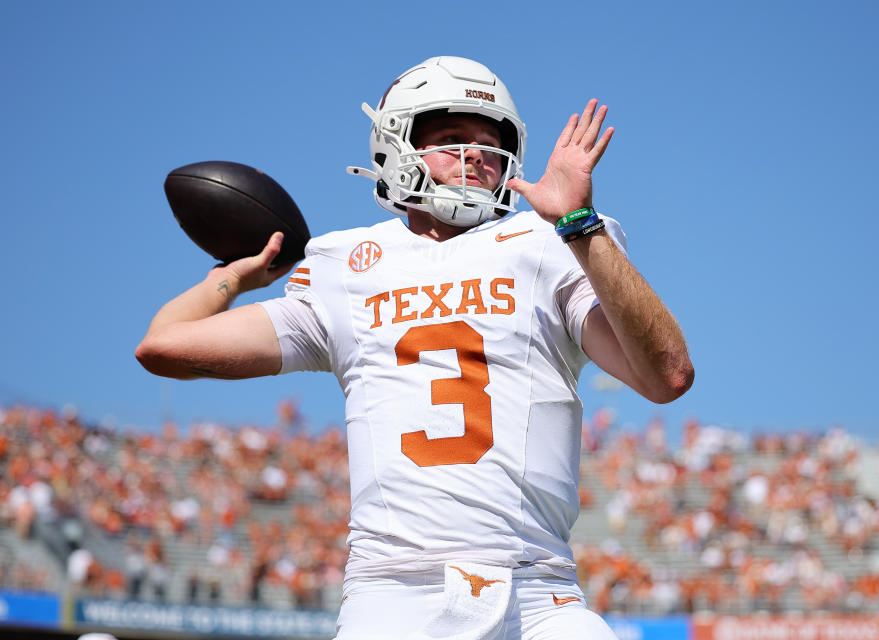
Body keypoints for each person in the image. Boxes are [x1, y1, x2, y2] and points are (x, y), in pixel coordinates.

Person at [137, 56, 693, 640]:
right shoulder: (345, 265)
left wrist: (580, 224)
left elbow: (667, 377)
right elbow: (164, 346)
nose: (476, 154)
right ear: (395, 147)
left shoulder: (548, 240)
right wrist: (235, 279)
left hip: (536, 589)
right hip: (393, 592)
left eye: (489, 141)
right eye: (452, 139)